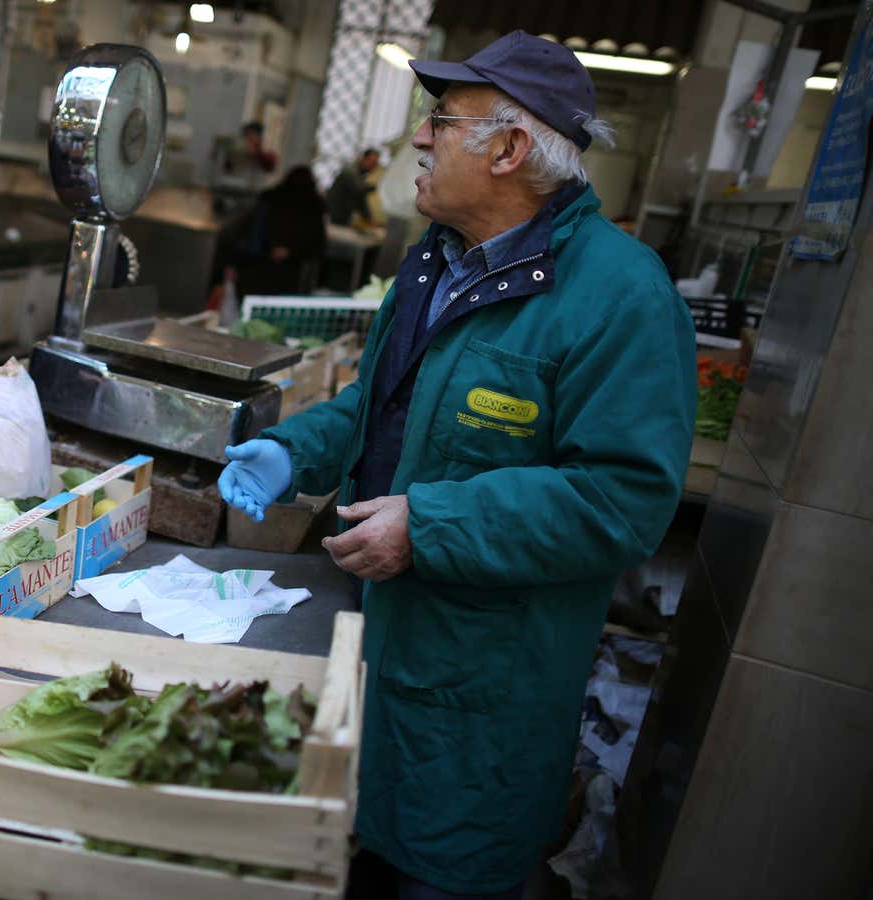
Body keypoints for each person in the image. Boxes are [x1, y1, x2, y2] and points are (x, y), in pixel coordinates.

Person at [217, 31, 694, 900]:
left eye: (441, 119)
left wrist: (429, 526)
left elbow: (623, 501)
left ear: (510, 149)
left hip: (483, 692)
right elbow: (377, 405)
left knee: (439, 874)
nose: (417, 139)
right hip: (371, 649)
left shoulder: (622, 298)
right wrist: (295, 448)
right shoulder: (433, 265)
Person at [228, 165, 327, 296]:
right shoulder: (313, 208)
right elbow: (317, 246)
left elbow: (242, 231)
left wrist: (233, 263)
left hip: (253, 267)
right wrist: (291, 252)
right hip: (287, 275)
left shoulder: (269, 199)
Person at [326, 146, 380, 227]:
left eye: (375, 163)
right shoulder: (350, 171)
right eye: (370, 161)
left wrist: (370, 220)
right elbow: (359, 188)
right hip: (330, 216)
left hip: (341, 219)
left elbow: (360, 201)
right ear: (363, 159)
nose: (372, 165)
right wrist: (380, 186)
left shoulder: (360, 177)